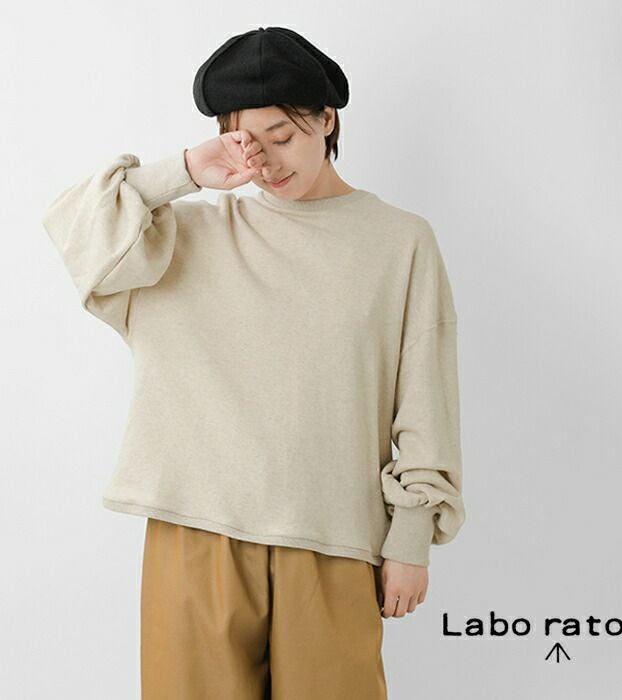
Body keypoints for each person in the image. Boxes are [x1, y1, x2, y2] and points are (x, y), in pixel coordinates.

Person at [42, 26, 466, 699]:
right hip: (195, 536)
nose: (267, 161)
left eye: (283, 135)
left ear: (327, 120)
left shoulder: (399, 242)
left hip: (334, 540)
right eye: (246, 142)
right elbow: (76, 228)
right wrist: (186, 171)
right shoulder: (188, 236)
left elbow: (424, 396)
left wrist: (411, 537)